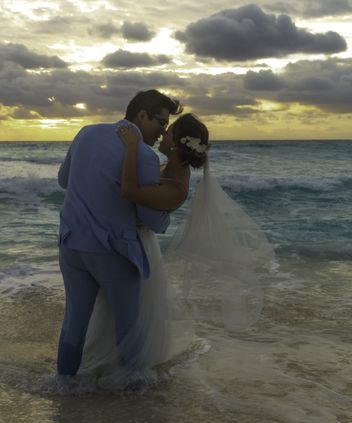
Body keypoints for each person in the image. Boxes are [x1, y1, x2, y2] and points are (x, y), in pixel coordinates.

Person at [79, 113, 276, 383]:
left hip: (141, 250)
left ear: (177, 144)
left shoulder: (176, 185)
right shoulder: (163, 167)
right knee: (116, 314)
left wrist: (130, 147)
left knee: (131, 319)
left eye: (169, 131)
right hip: (125, 244)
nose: (162, 134)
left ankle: (131, 379)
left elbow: (130, 191)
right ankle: (112, 367)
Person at [56, 89, 182, 377]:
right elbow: (148, 217)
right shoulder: (144, 156)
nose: (162, 132)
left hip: (71, 244)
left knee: (74, 321)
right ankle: (132, 395)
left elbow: (64, 181)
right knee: (128, 326)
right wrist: (165, 218)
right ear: (141, 115)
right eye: (160, 123)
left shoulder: (85, 133)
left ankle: (63, 385)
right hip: (113, 251)